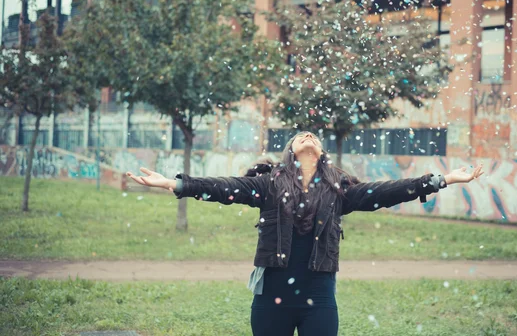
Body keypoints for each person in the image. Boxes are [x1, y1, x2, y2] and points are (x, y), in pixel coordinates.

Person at [126, 131, 484, 336]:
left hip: (319, 299)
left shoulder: (340, 191)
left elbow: (388, 191)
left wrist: (443, 179)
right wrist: (176, 184)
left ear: (323, 153)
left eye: (312, 135)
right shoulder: (268, 185)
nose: (307, 136)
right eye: (299, 136)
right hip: (271, 301)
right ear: (289, 153)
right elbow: (224, 186)